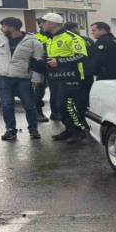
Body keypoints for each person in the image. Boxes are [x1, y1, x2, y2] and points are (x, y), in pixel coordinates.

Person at [38, 12, 90, 143]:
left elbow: (82, 56)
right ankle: (70, 129)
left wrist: (59, 62)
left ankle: (80, 131)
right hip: (56, 78)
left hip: (72, 78)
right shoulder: (52, 39)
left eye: (43, 22)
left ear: (51, 23)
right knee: (59, 106)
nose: (41, 25)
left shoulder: (72, 37)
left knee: (69, 105)